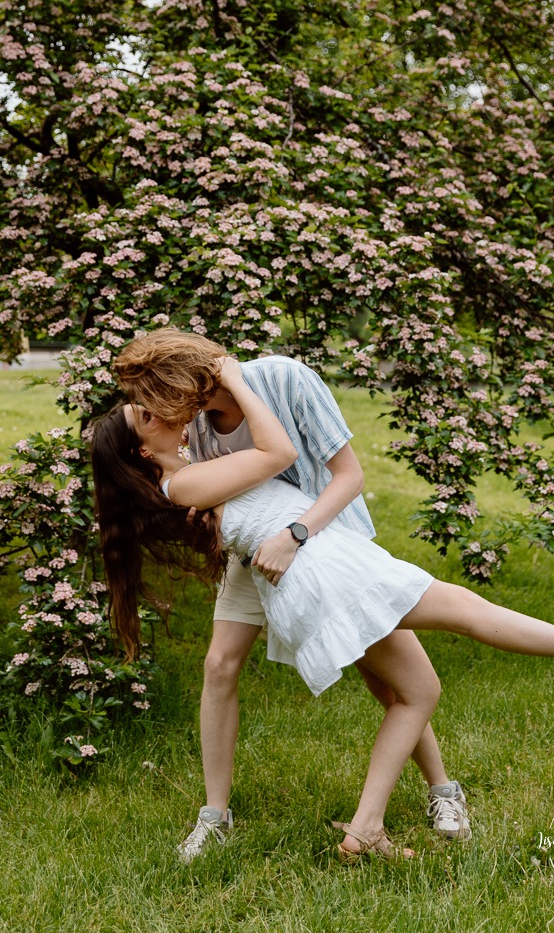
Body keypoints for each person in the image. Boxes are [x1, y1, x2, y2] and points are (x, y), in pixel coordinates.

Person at [92, 356, 554, 861]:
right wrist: (234, 376)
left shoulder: (197, 457)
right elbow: (276, 453)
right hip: (321, 569)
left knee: (423, 674)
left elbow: (288, 478)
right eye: (143, 413)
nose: (153, 405)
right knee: (457, 627)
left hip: (319, 554)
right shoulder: (185, 479)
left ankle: (373, 824)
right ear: (145, 448)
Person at [113, 330, 469, 859]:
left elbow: (347, 477)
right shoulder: (200, 428)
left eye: (152, 400)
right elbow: (220, 493)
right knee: (218, 666)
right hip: (255, 556)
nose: (154, 410)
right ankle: (214, 816)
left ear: (179, 383)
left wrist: (295, 536)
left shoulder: (283, 377)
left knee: (391, 685)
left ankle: (443, 791)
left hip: (321, 542)